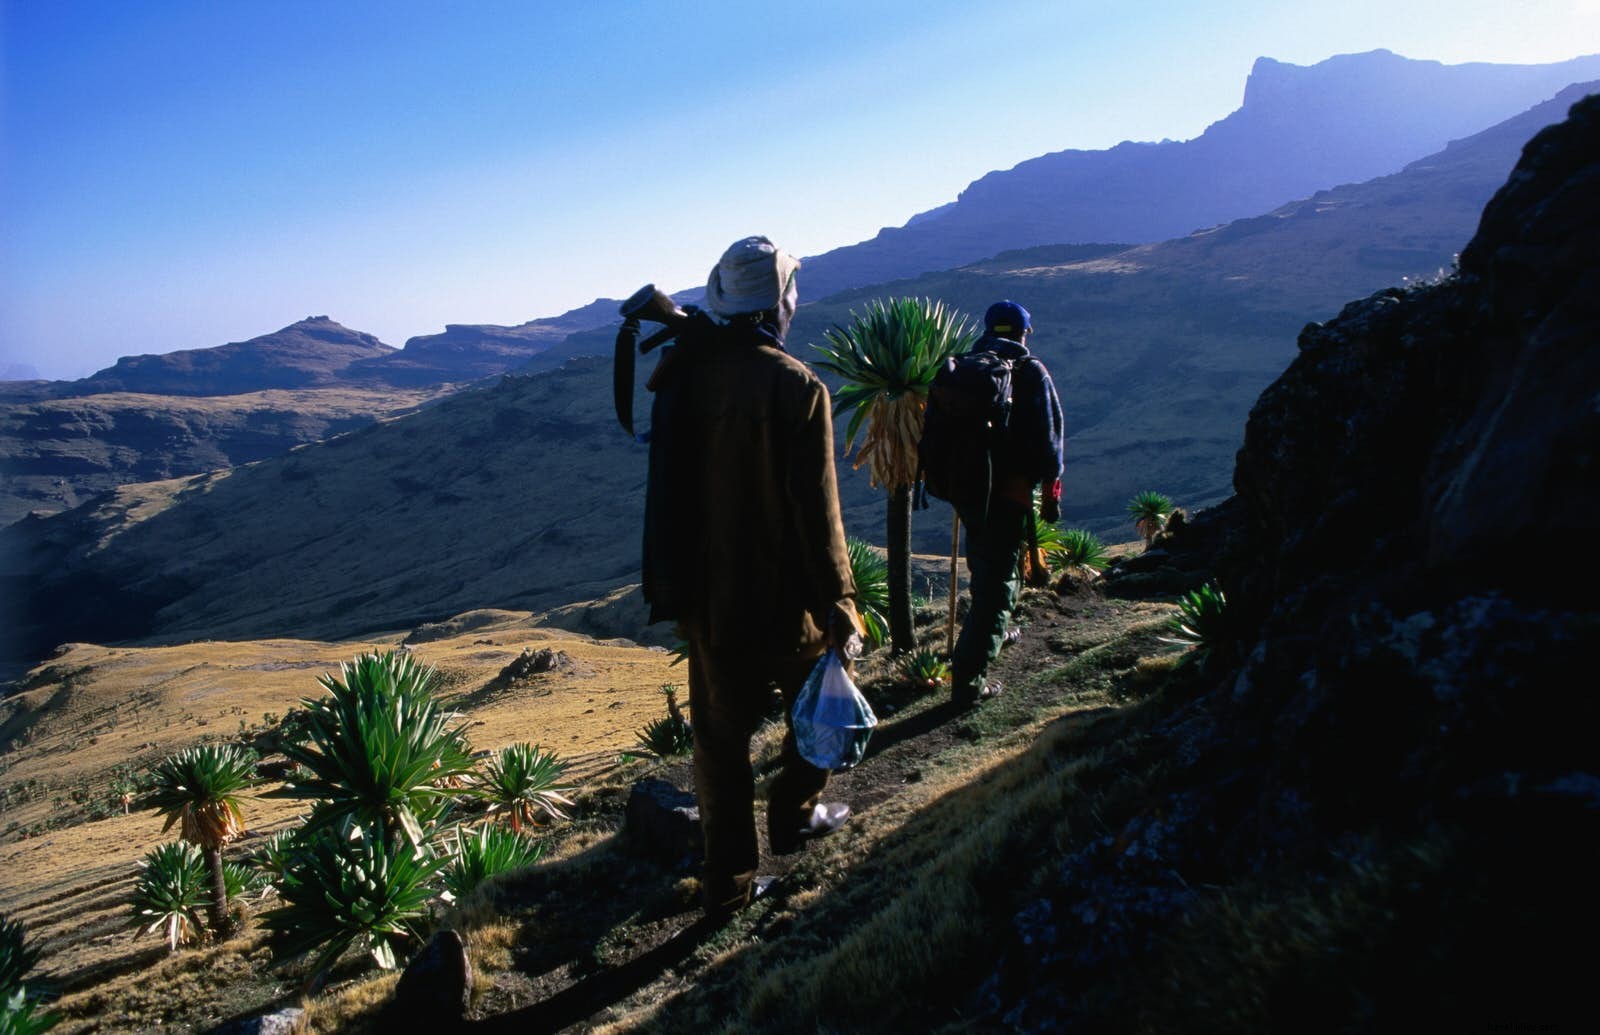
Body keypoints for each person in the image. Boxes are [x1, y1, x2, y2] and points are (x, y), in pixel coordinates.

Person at [640, 235, 862, 921]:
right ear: (780, 302)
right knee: (820, 713)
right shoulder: (798, 386)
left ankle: (728, 886)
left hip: (710, 600)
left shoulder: (686, 374)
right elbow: (818, 512)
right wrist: (841, 600)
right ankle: (794, 813)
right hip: (786, 603)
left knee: (720, 742)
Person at [950, 300, 1065, 708]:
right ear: (1023, 333)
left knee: (987, 570)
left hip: (968, 492)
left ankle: (994, 634)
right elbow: (1050, 444)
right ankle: (968, 684)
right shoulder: (1030, 372)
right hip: (1010, 496)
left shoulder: (963, 368)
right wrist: (1051, 497)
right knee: (999, 587)